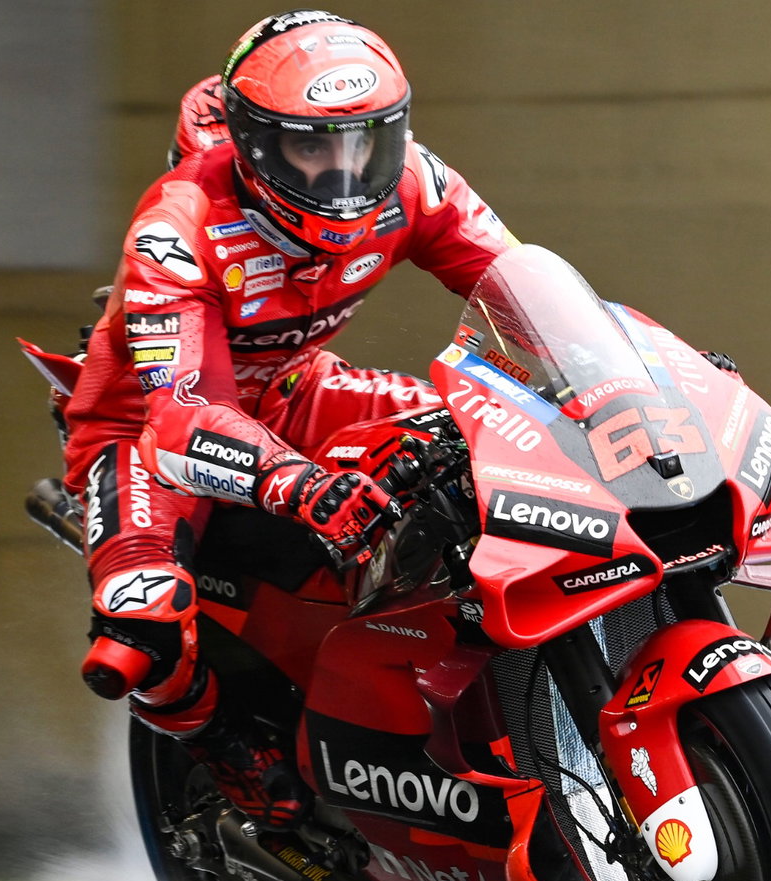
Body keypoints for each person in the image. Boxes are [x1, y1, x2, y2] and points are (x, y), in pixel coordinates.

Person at [55, 10, 518, 831]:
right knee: (141, 619)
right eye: (313, 146)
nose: (345, 171)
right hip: (146, 437)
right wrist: (294, 483)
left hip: (302, 391)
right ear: (254, 145)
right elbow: (183, 414)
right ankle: (222, 747)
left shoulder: (416, 179)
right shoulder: (179, 226)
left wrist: (625, 375)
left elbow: (519, 289)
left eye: (364, 143)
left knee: (493, 433)